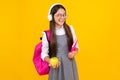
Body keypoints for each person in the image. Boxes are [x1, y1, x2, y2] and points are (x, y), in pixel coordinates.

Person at [41, 3, 80, 80]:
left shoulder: (70, 29)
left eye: (64, 15)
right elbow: (44, 54)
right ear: (51, 17)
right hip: (56, 66)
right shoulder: (47, 34)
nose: (62, 17)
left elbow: (77, 47)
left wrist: (73, 53)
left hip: (69, 65)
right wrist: (51, 61)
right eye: (58, 15)